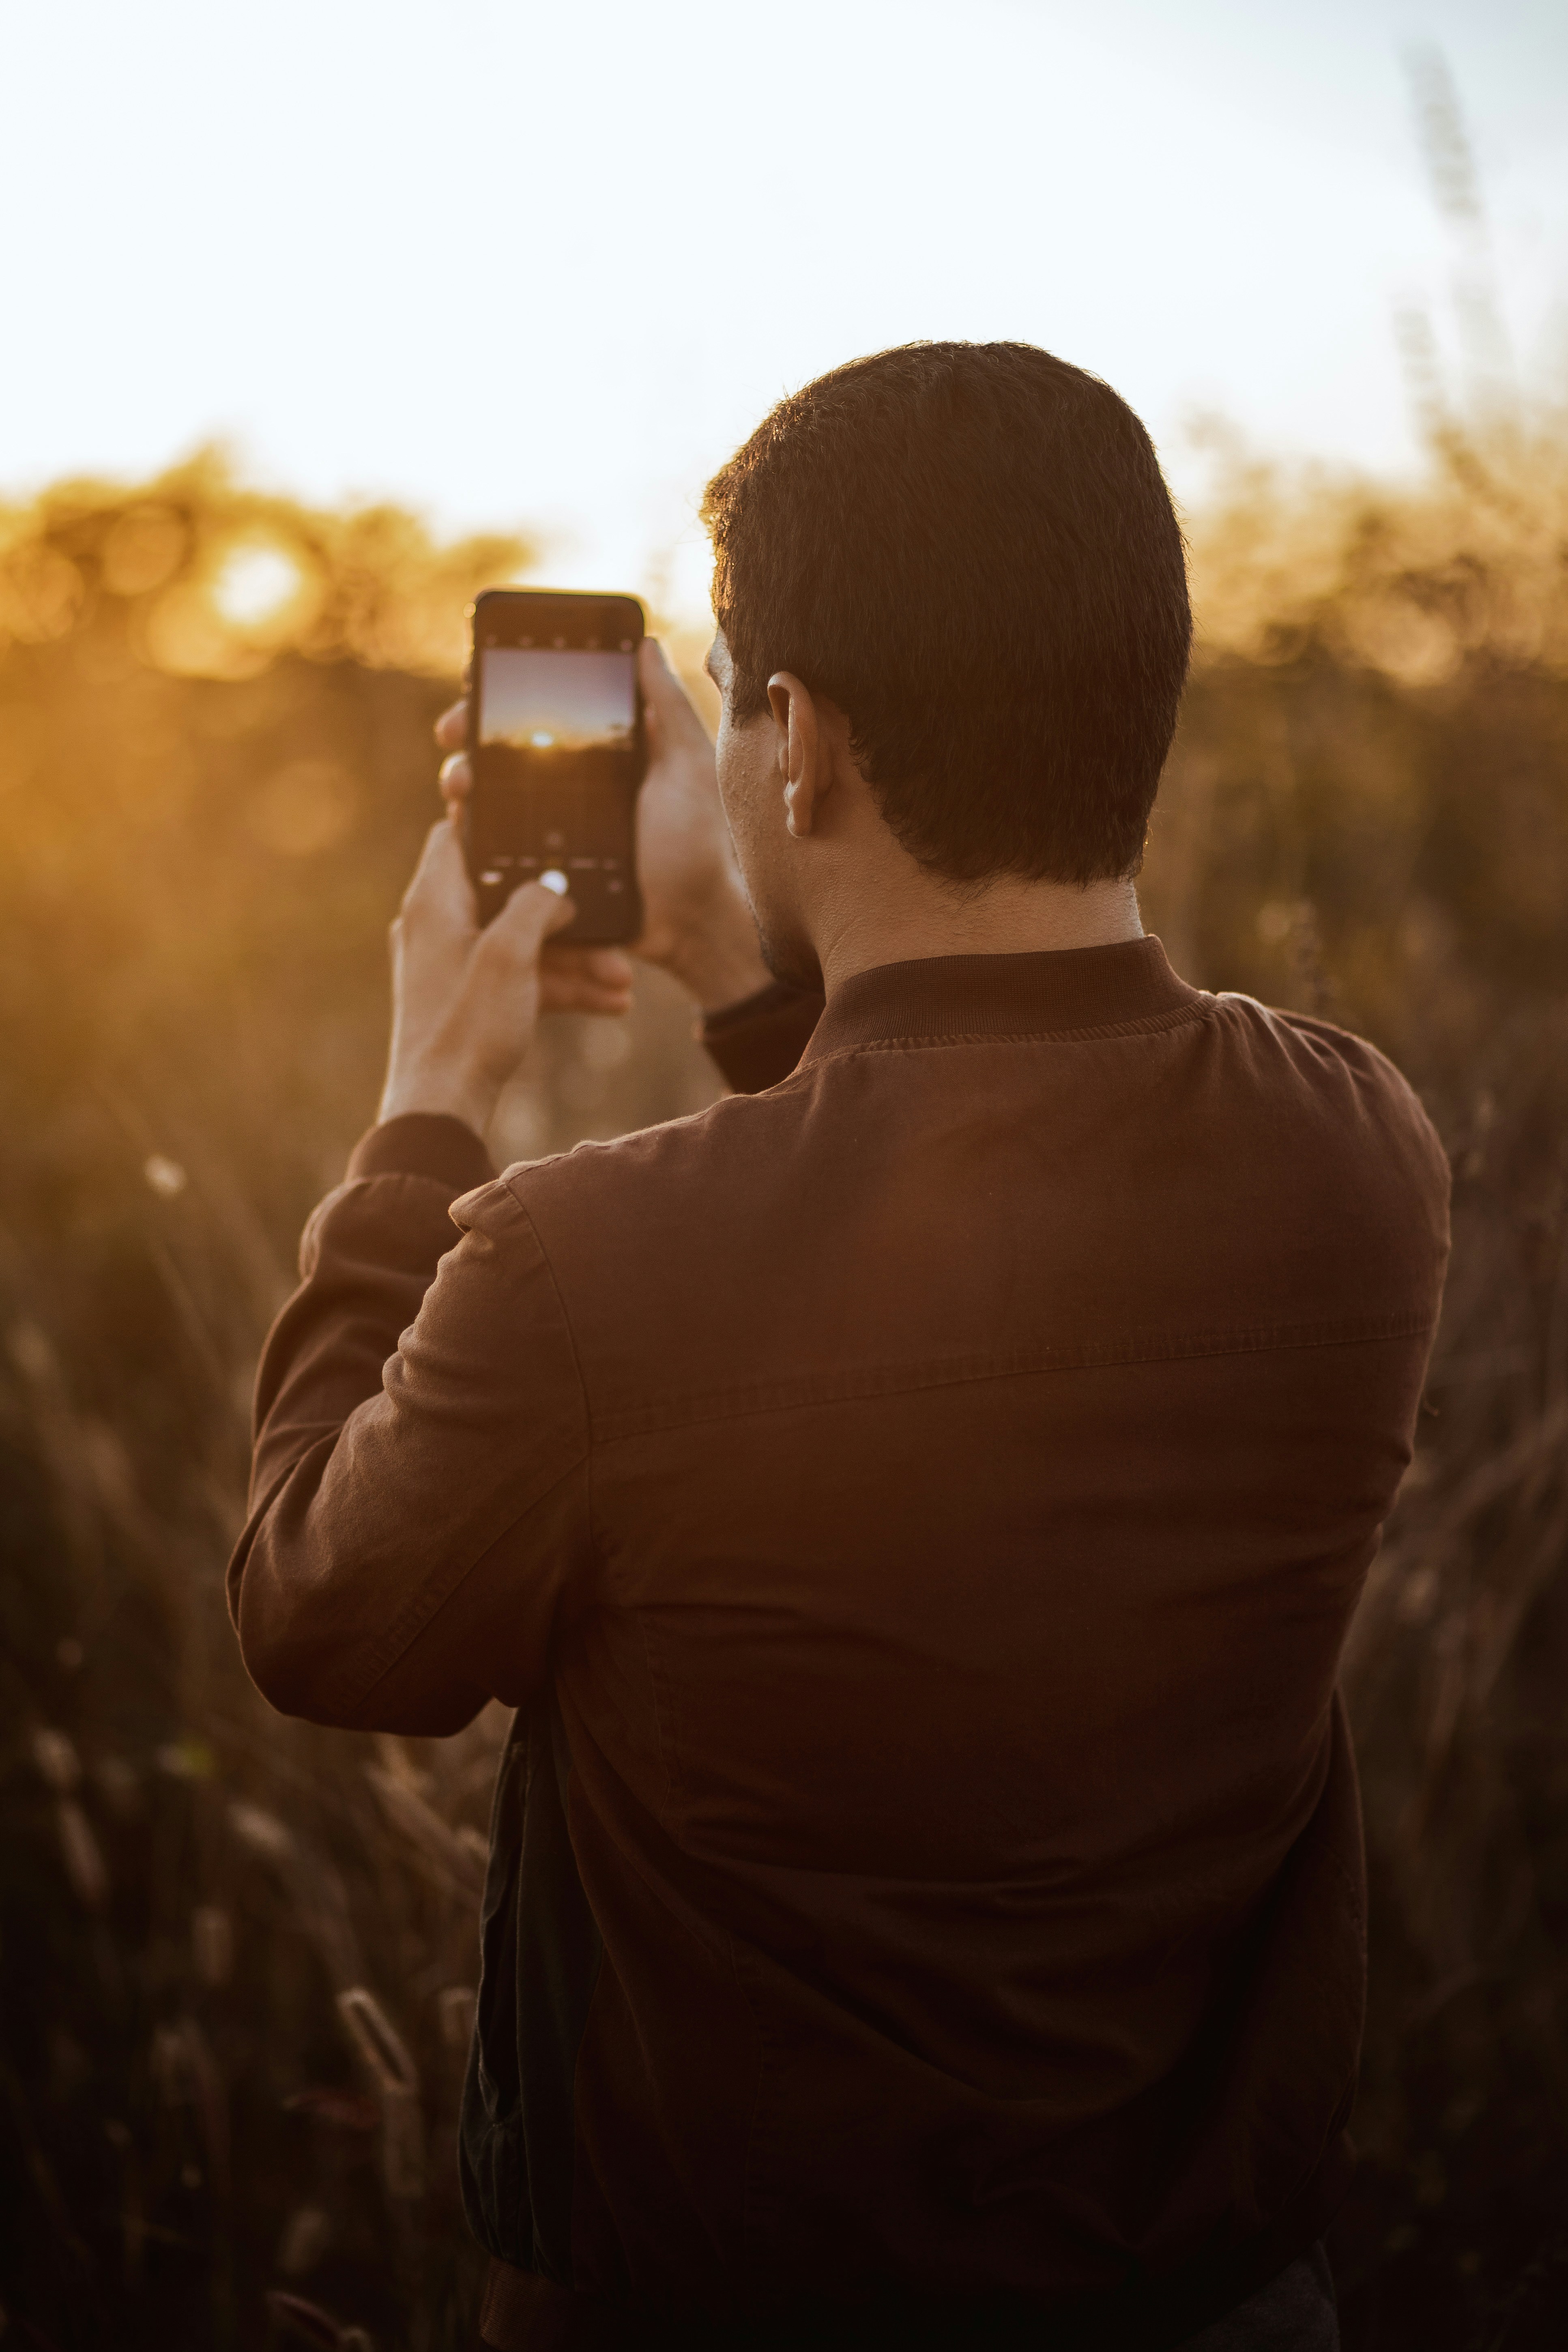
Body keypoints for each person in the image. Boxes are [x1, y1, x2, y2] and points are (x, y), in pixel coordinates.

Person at [229, 342, 1450, 2350]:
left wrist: (422, 1107)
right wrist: (738, 952)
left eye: (734, 696)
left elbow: (315, 1608)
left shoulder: (582, 1270)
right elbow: (958, 1216)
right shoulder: (1356, 1157)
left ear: (792, 742)